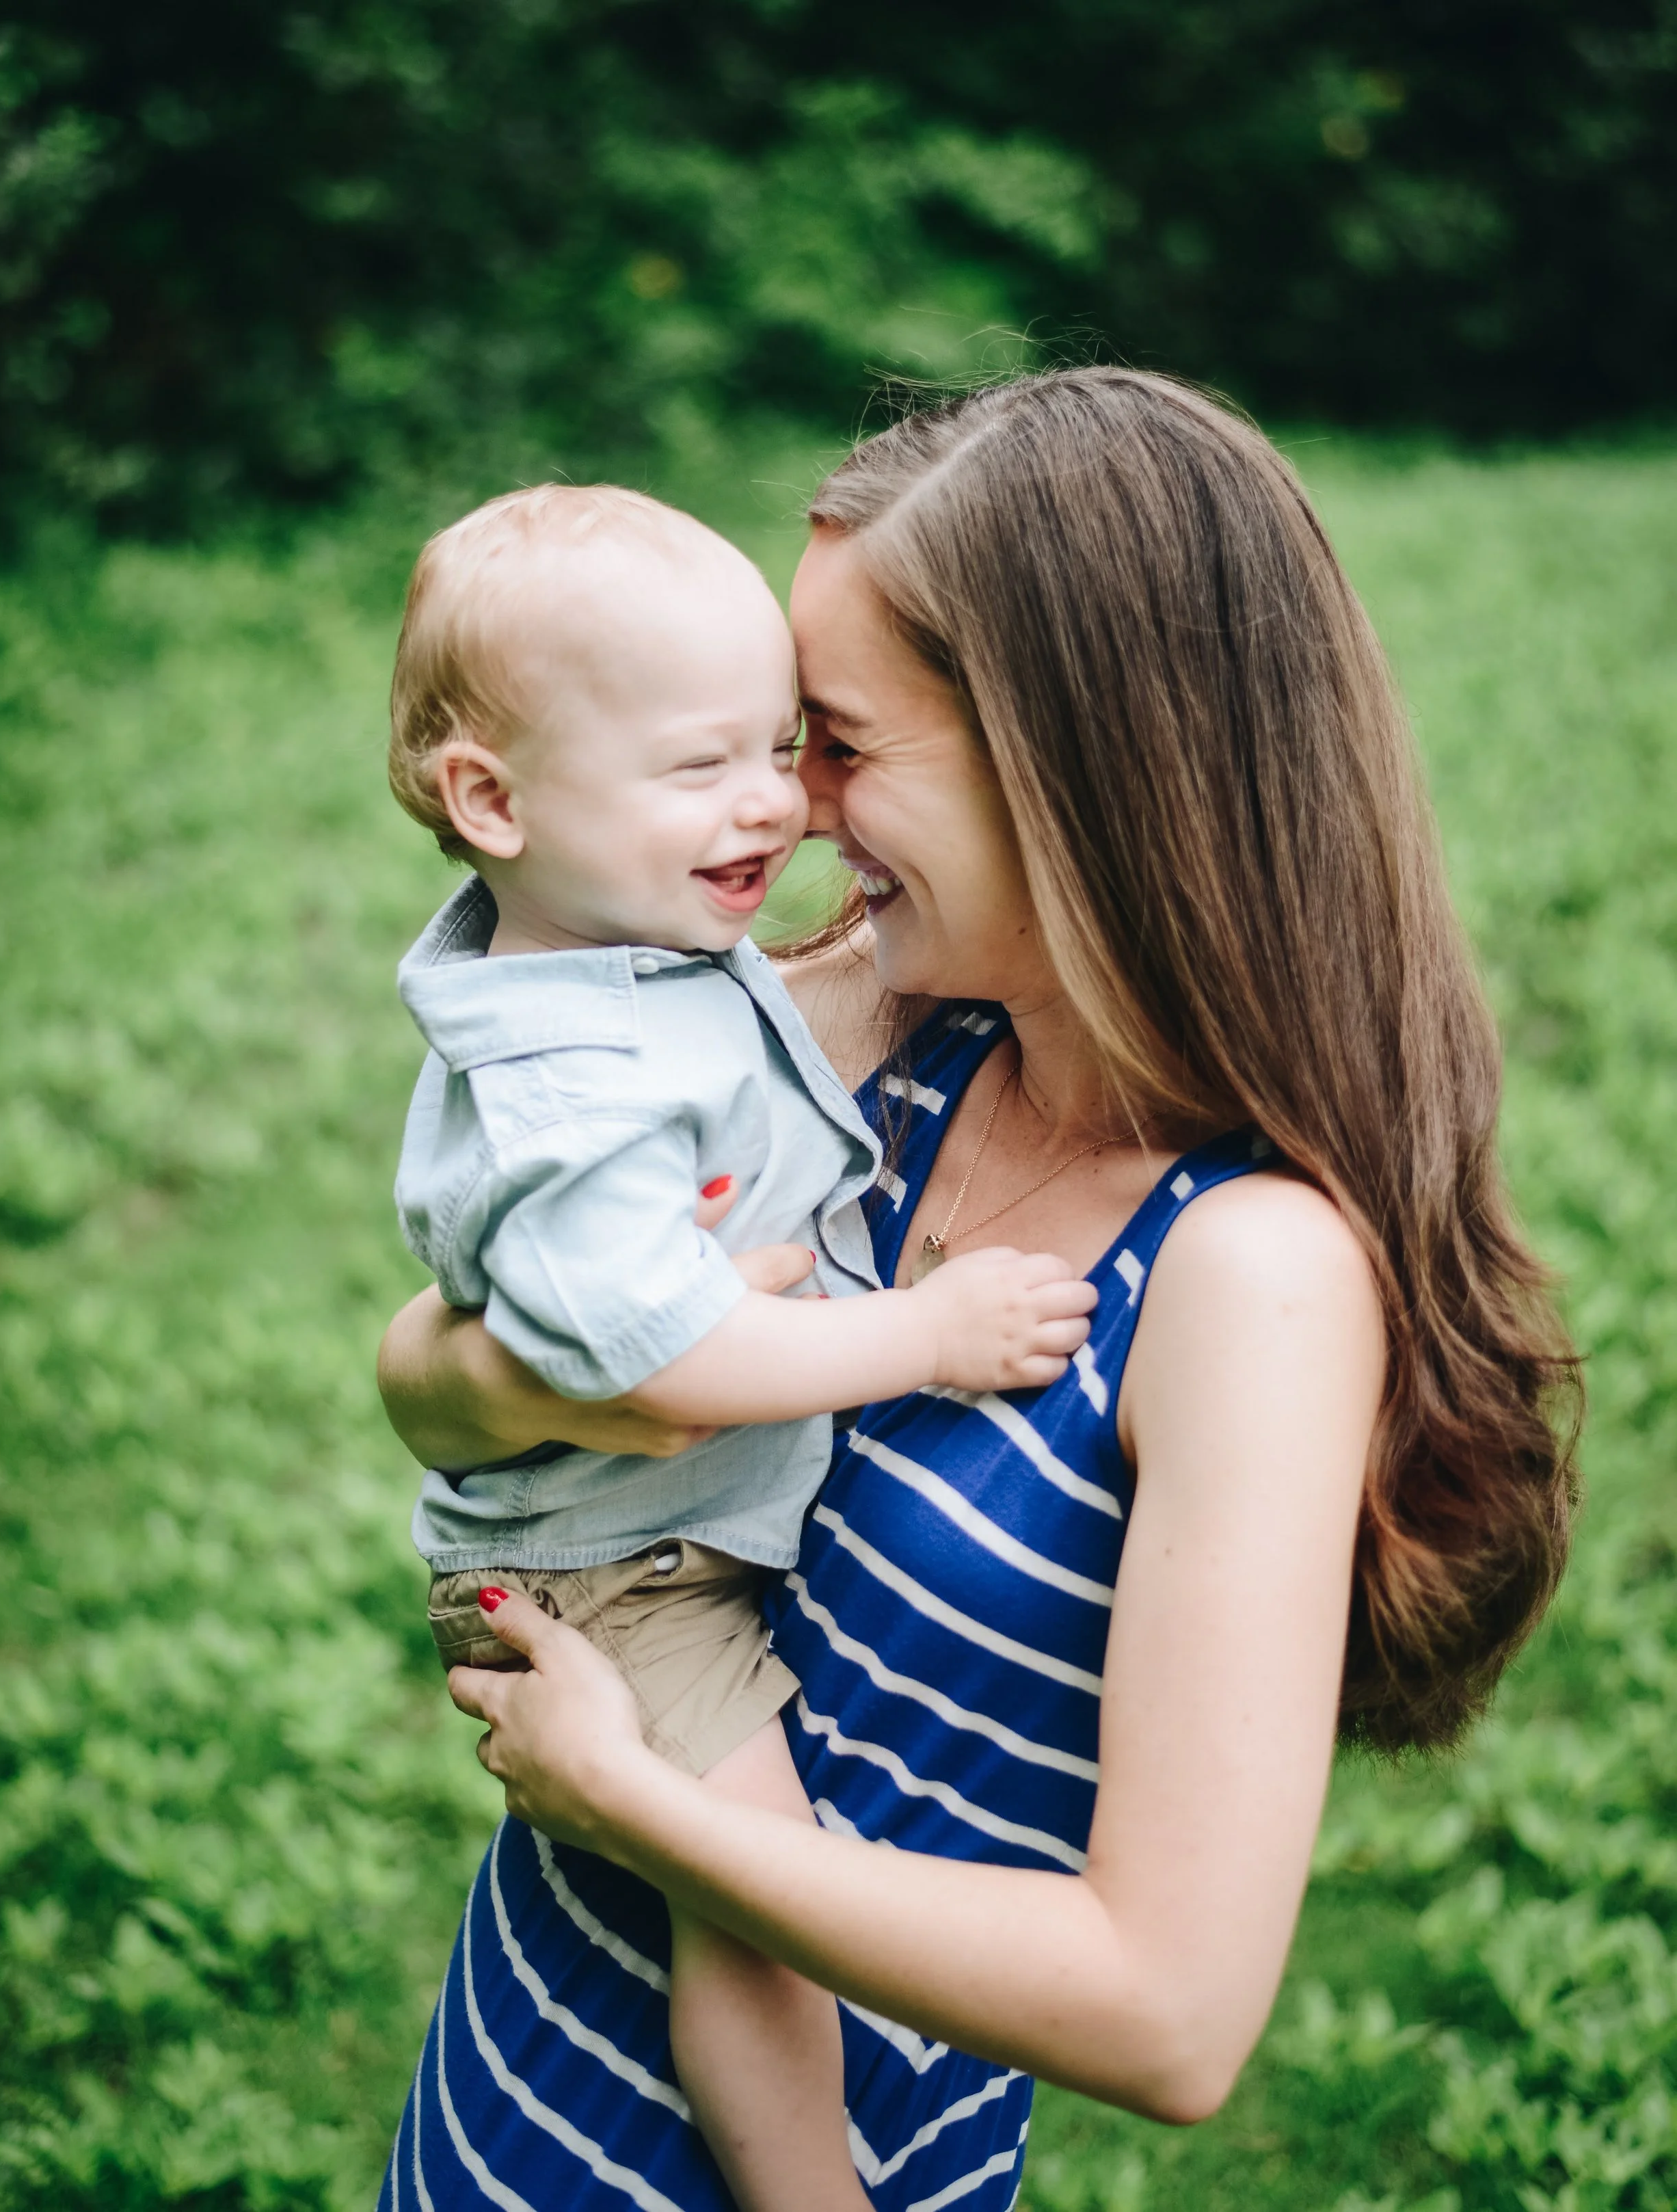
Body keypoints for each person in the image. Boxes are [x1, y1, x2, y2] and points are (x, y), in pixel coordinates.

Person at [375, 369, 1580, 2211]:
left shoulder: (1242, 1274)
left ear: (1077, 777)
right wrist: (525, 1388)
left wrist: (633, 1804)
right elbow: (441, 1357)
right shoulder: (854, 1033)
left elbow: (1167, 2020)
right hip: (502, 2105)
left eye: (835, 743)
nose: (789, 810)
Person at [383, 482, 1097, 2212]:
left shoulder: (634, 962)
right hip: (618, 1579)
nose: (774, 801)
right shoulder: (573, 1086)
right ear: (492, 800)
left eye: (782, 745)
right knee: (753, 1912)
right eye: (700, 764)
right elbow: (666, 1371)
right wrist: (924, 1333)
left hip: (640, 1536)